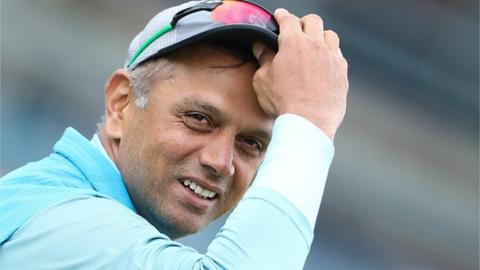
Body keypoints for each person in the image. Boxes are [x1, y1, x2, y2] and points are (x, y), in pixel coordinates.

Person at [0, 0, 348, 269]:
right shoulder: (63, 224)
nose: (220, 162)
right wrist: (309, 118)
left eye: (251, 143)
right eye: (198, 118)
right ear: (121, 104)